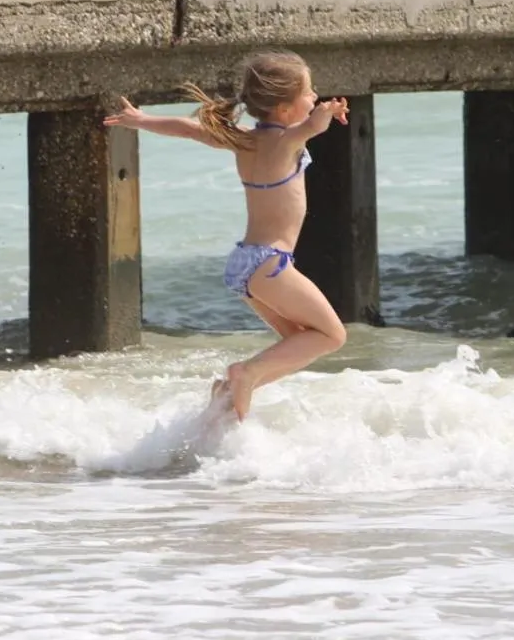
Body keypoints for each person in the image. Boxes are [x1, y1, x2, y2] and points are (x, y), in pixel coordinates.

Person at [102, 49, 350, 421]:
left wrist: (142, 120)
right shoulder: (286, 142)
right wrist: (327, 112)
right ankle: (244, 374)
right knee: (332, 335)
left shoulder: (243, 139)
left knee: (299, 341)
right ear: (284, 108)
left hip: (245, 264)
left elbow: (189, 129)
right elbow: (313, 127)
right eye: (309, 91)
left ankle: (225, 400)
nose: (315, 96)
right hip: (270, 264)